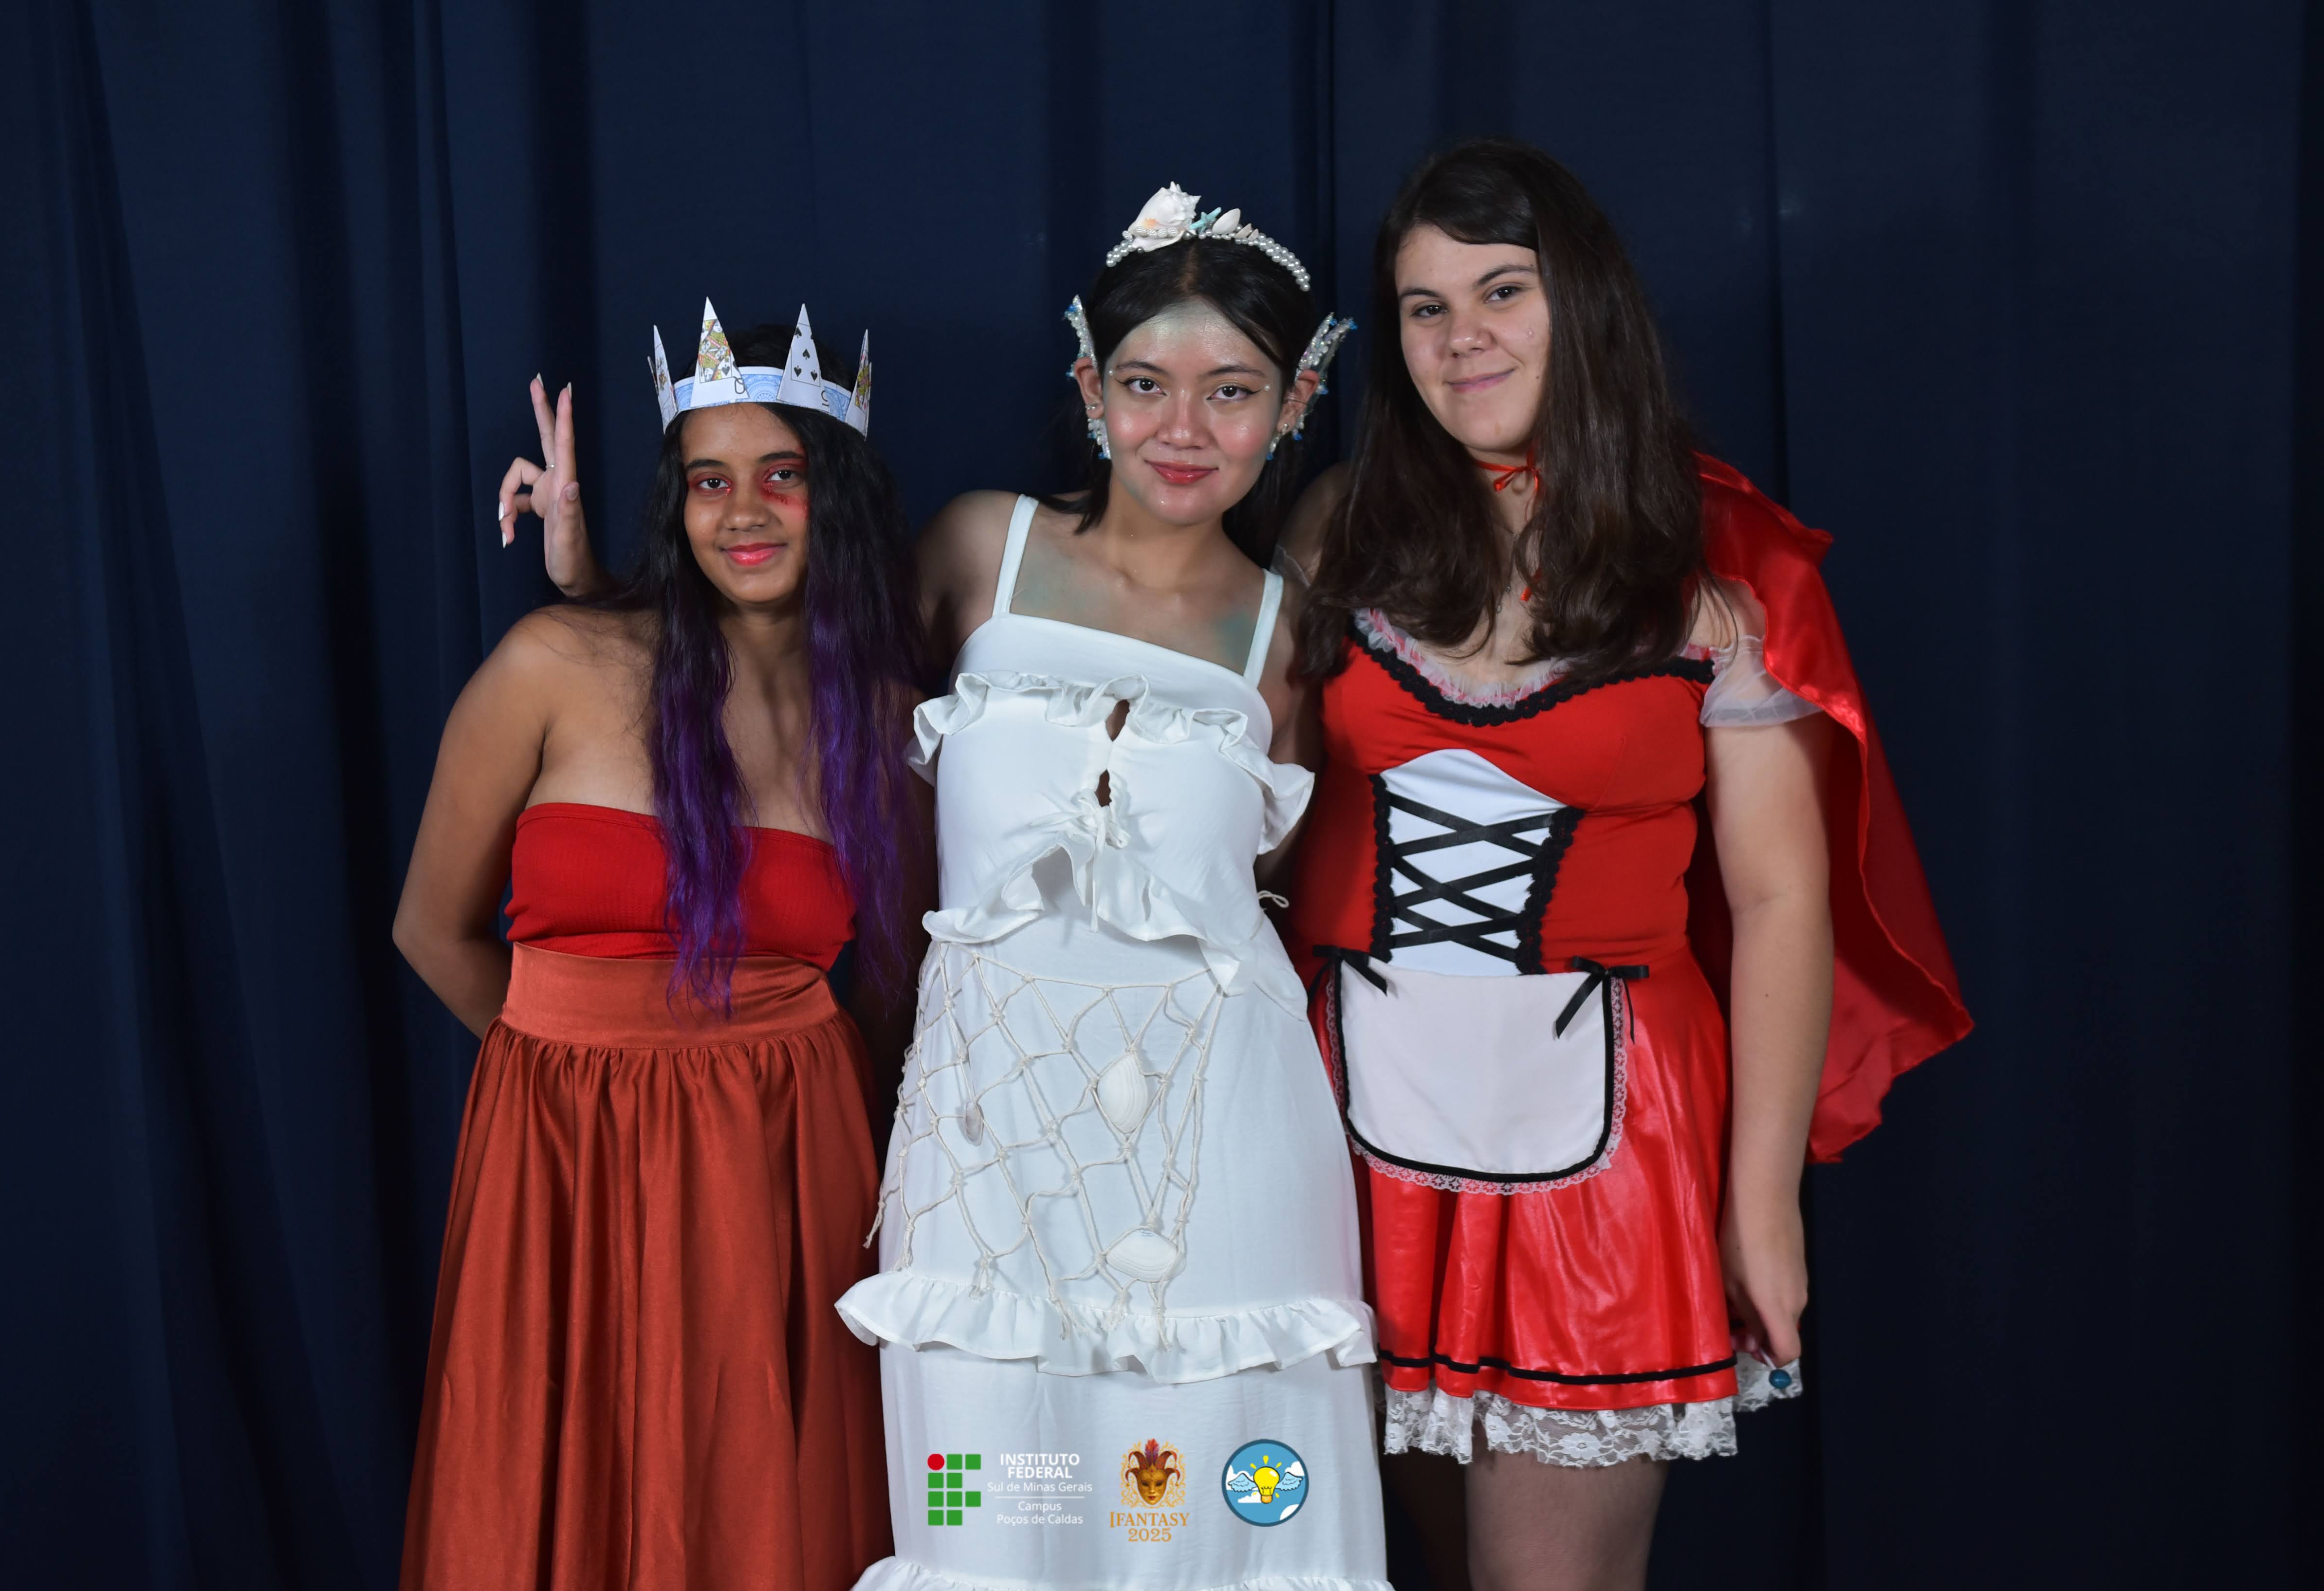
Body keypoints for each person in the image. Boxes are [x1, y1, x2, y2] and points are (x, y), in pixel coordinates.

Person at [1278, 140, 1972, 1591]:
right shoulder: (1345, 525)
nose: (1461, 338)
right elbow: (1261, 808)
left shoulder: (1719, 562)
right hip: (1349, 1119)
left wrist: (1761, 1202)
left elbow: (1779, 899)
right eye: (1423, 307)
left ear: (1582, 299)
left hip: (1603, 1132)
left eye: (1502, 291)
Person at [834, 185, 1391, 1590]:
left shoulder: (1291, 635)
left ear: (1296, 402)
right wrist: (599, 586)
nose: (1183, 428)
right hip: (983, 1143)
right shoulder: (980, 549)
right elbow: (801, 712)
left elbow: (1265, 882)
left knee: (1220, 1531)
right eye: (1146, 384)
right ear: (1092, 388)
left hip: (1220, 1149)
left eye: (1232, 390)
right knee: (984, 1528)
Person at [391, 308, 925, 1591]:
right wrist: (577, 1068)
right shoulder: (554, 663)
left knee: (760, 1507)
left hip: (785, 1165)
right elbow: (432, 928)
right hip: (560, 1155)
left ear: (838, 495)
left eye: (781, 474)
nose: (744, 513)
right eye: (708, 481)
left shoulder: (885, 721)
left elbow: (903, 988)